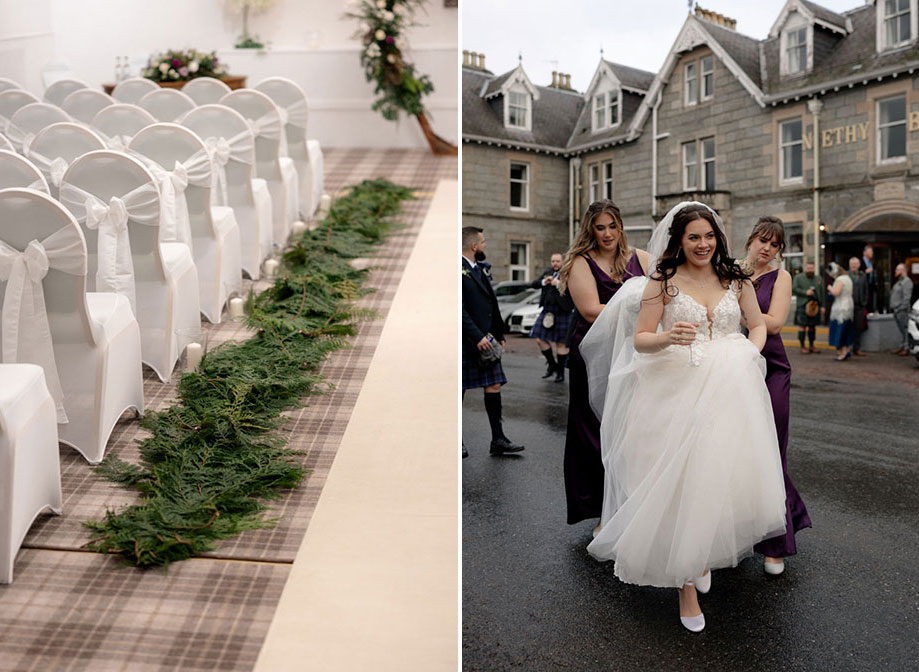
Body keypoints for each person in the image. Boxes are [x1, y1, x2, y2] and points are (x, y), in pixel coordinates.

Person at [582, 202, 786, 633]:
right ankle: (686, 584)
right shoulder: (663, 281)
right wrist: (666, 337)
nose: (702, 244)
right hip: (675, 387)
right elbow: (640, 340)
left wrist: (750, 350)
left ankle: (703, 554)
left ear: (719, 238)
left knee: (721, 481)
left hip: (731, 389)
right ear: (679, 241)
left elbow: (759, 324)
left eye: (709, 236)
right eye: (693, 237)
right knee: (682, 484)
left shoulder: (735, 277)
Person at [558, 200, 648, 529]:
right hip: (594, 353)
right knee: (593, 428)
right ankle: (600, 510)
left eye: (612, 226)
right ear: (590, 230)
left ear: (620, 226)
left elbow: (668, 287)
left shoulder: (639, 258)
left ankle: (630, 503)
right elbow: (591, 310)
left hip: (633, 352)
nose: (608, 233)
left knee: (632, 428)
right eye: (600, 227)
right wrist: (635, 303)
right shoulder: (582, 262)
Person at [744, 217, 812, 576]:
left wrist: (738, 307)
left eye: (774, 244)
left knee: (772, 449)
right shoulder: (731, 272)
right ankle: (737, 534)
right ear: (750, 240)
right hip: (735, 365)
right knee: (738, 454)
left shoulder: (781, 278)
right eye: (762, 240)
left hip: (772, 368)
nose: (767, 248)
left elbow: (774, 322)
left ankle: (776, 543)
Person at [461, 226, 524, 457]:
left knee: (494, 385)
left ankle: (498, 439)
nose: (485, 245)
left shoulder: (480, 269)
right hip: (467, 339)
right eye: (483, 242)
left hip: (487, 338)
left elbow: (492, 305)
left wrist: (499, 334)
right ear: (474, 246)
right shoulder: (456, 269)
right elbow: (460, 309)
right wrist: (476, 335)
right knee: (461, 390)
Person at [529, 253, 572, 382]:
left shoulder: (568, 273)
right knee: (539, 340)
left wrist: (558, 283)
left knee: (561, 343)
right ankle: (552, 365)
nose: (555, 263)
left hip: (562, 312)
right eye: (553, 261)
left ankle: (560, 373)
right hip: (547, 311)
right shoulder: (547, 273)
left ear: (563, 261)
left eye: (558, 261)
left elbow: (572, 289)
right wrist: (544, 281)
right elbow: (534, 284)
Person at [792, 260, 824, 354]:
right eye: (808, 268)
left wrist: (822, 306)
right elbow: (794, 289)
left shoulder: (818, 278)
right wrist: (805, 292)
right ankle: (802, 346)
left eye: (812, 268)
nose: (810, 270)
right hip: (802, 304)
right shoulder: (798, 277)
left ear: (814, 268)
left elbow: (822, 293)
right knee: (802, 326)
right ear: (805, 268)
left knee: (812, 327)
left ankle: (811, 345)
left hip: (815, 305)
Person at [827, 261, 854, 361]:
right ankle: (847, 350)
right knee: (847, 329)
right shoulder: (848, 278)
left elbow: (836, 292)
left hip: (840, 307)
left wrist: (829, 287)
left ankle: (842, 353)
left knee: (840, 330)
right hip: (849, 306)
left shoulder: (840, 280)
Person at [890, 263, 914, 356]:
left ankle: (906, 348)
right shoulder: (899, 281)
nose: (895, 271)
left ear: (902, 270)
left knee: (905, 329)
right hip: (896, 310)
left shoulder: (907, 282)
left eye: (897, 269)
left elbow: (906, 298)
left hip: (902, 311)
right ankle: (902, 346)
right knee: (901, 330)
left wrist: (900, 308)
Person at [849, 256, 869, 356]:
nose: (853, 266)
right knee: (847, 327)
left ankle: (856, 348)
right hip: (848, 306)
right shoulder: (846, 275)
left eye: (855, 264)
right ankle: (846, 348)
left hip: (860, 306)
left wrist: (864, 302)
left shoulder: (863, 275)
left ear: (859, 265)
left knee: (858, 328)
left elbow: (866, 290)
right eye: (852, 264)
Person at [861, 244, 877, 313]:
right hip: (863, 288)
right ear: (865, 252)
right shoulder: (860, 262)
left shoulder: (871, 262)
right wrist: (865, 272)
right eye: (870, 251)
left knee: (871, 304)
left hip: (871, 287)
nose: (872, 253)